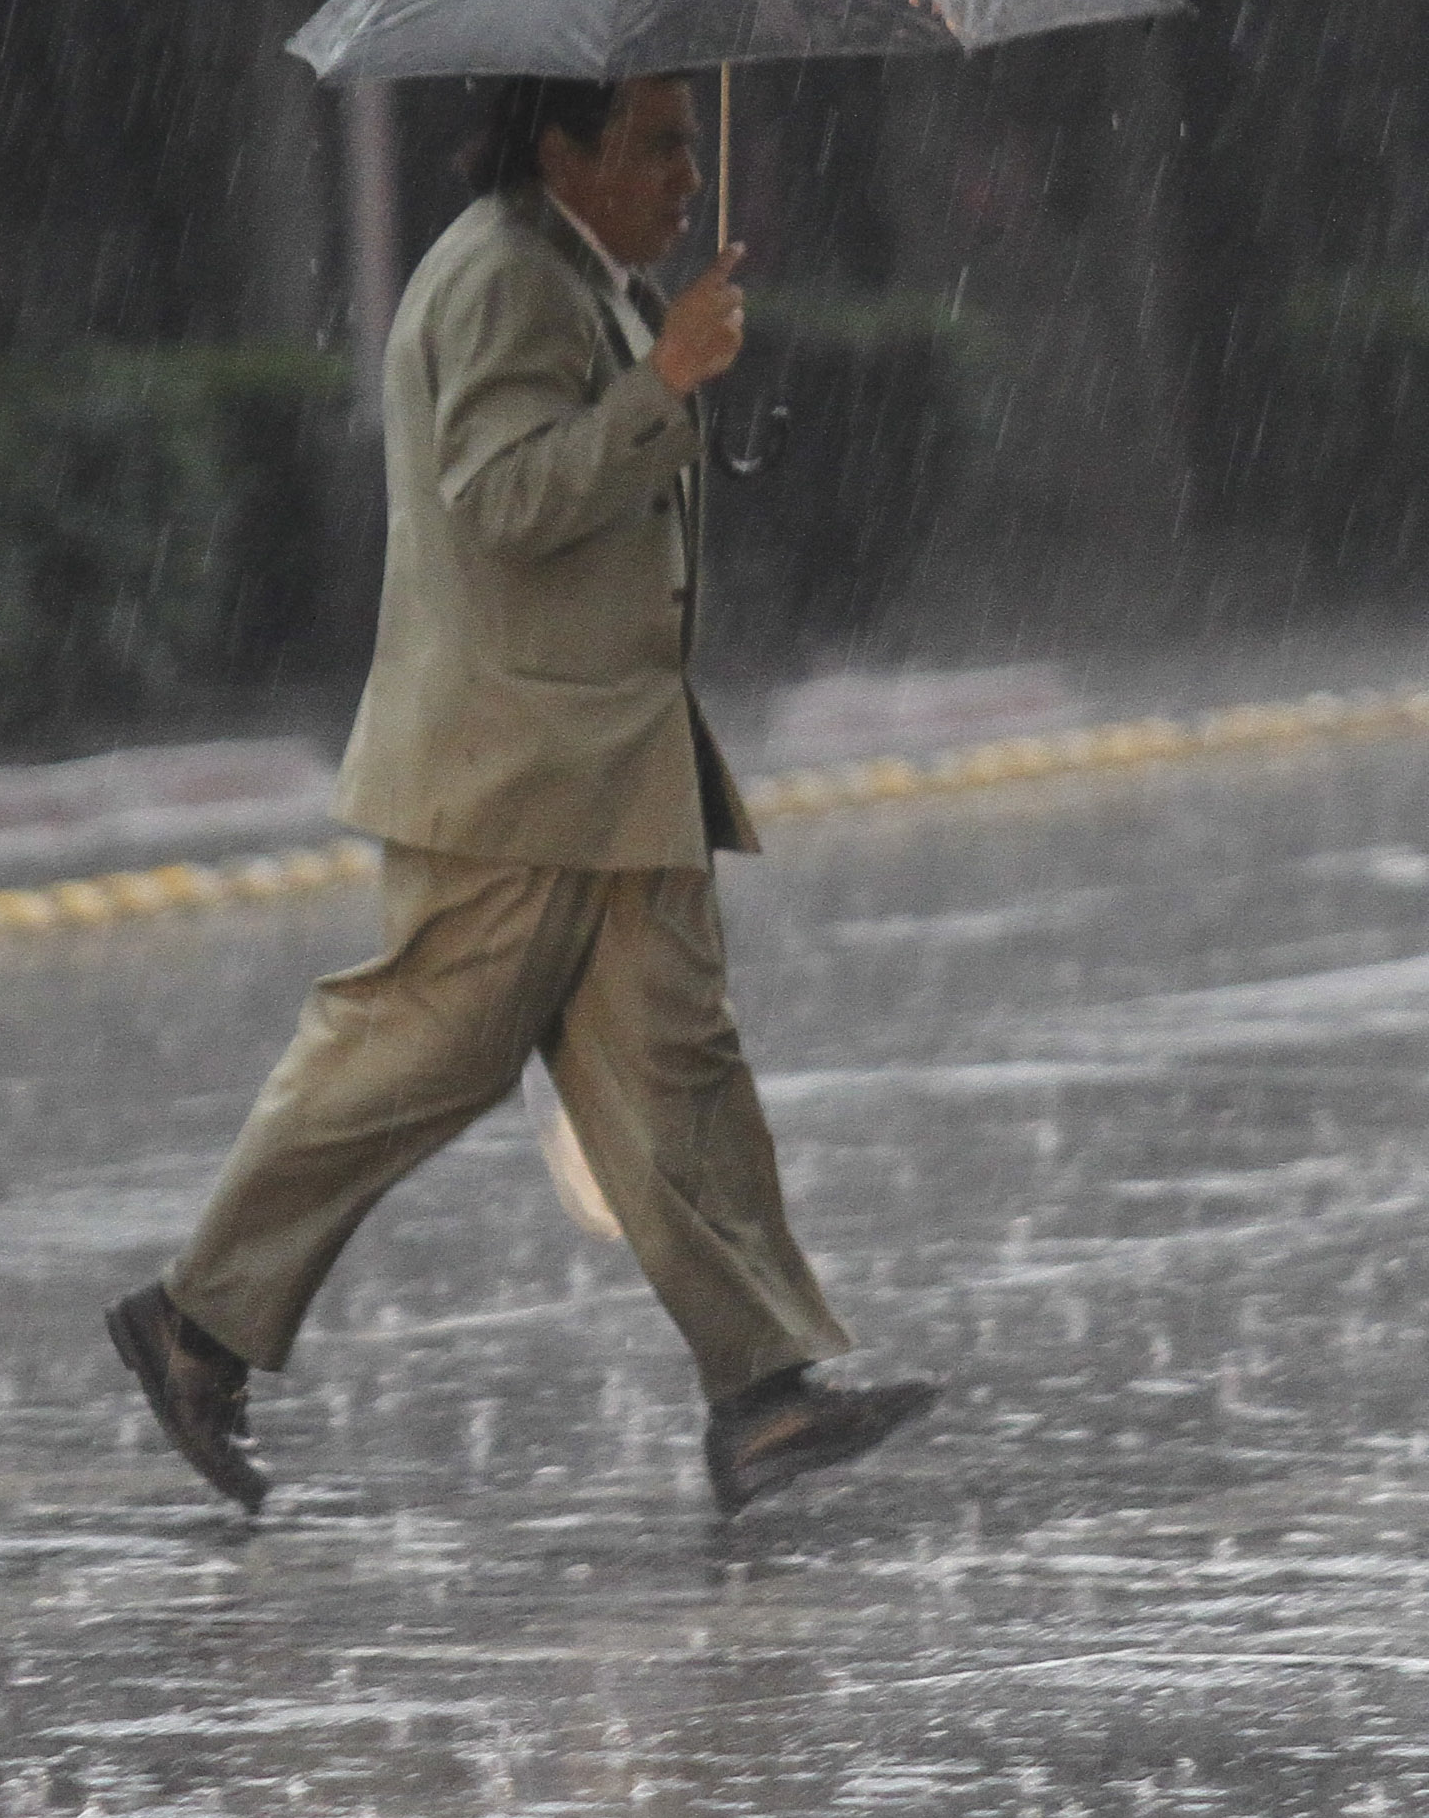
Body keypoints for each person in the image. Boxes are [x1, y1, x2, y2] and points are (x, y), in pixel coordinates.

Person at [108, 73, 938, 1516]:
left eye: (690, 144)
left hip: (611, 764)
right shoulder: (505, 278)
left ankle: (762, 1393)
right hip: (518, 771)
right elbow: (503, 500)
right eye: (658, 146)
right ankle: (195, 1321)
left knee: (675, 1067)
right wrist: (663, 385)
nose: (687, 175)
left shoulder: (579, 274)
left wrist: (666, 374)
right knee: (418, 1051)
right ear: (563, 147)